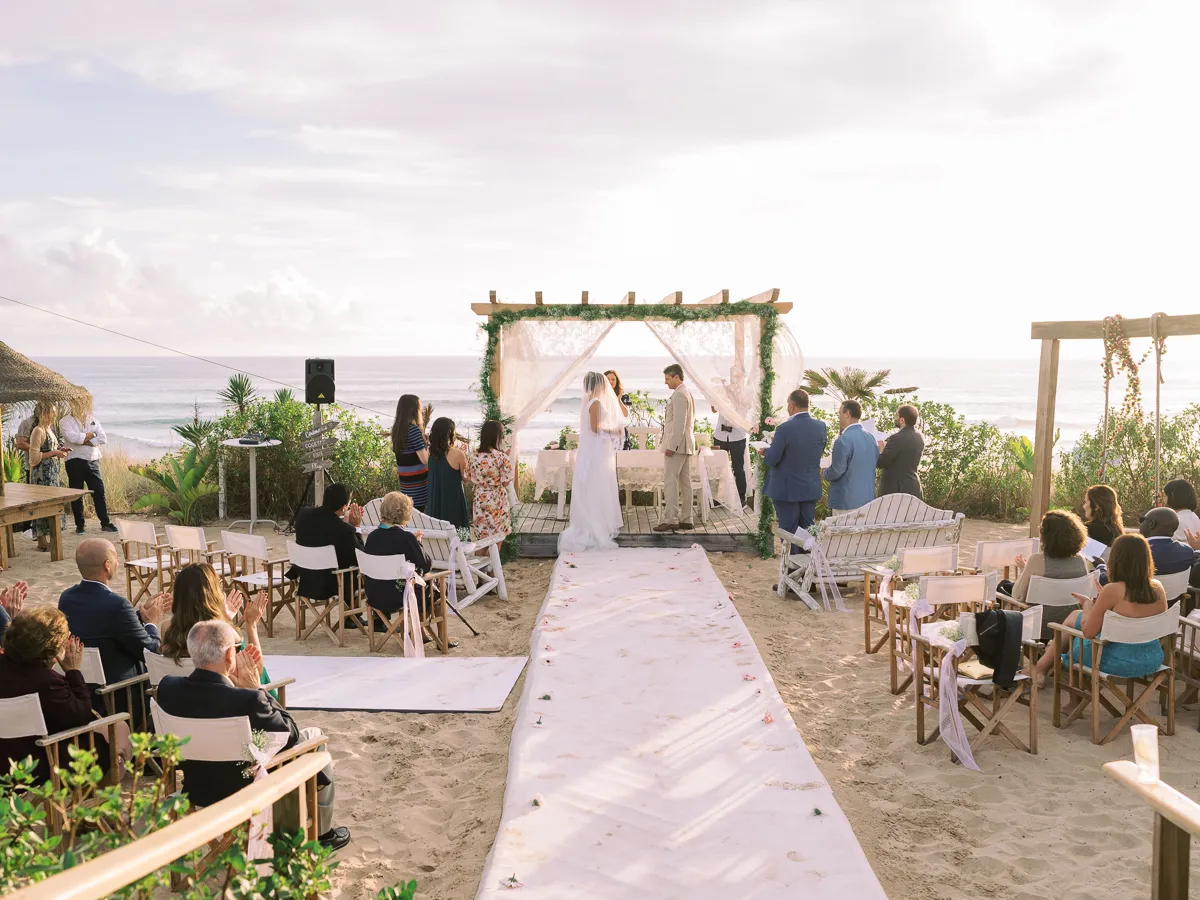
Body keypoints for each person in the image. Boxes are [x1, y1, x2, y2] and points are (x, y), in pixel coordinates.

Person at [156, 620, 351, 851]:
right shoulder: (248, 700)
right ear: (230, 655)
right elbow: (290, 734)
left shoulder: (167, 688)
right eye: (237, 648)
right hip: (245, 791)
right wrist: (257, 689)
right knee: (314, 737)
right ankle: (323, 834)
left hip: (196, 788)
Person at [1035, 533, 1169, 687]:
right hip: (1151, 659)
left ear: (1116, 559)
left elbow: (1089, 632)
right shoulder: (1157, 587)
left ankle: (1066, 692)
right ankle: (1042, 670)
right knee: (1074, 617)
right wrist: (1103, 602)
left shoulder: (1113, 590)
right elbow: (1133, 617)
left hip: (1114, 662)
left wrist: (1088, 605)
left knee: (1074, 636)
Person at [0, 608, 116, 782]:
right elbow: (83, 716)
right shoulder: (47, 682)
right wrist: (73, 671)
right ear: (51, 646)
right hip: (41, 763)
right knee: (117, 735)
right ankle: (87, 801)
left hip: (5, 760)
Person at [58, 539, 165, 685]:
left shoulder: (67, 598)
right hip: (120, 691)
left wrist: (139, 615)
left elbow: (102, 624)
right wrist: (151, 623)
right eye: (116, 557)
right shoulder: (118, 605)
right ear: (107, 565)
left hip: (84, 685)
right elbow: (152, 652)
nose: (118, 562)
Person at [161, 563, 274, 688]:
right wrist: (251, 625)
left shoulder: (167, 628)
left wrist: (223, 619)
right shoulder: (226, 632)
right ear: (213, 593)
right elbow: (256, 671)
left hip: (182, 700)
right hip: (223, 701)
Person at [559, 372, 625, 553]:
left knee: (595, 488)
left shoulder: (589, 401)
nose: (606, 387)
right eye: (604, 383)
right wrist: (614, 432)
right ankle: (594, 528)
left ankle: (594, 524)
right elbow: (595, 428)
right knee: (597, 487)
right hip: (595, 452)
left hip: (594, 451)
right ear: (597, 385)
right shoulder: (595, 403)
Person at [1000, 509, 1089, 641]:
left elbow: (1017, 595)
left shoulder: (1037, 560)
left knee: (1002, 587)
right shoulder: (1080, 560)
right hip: (1069, 626)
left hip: (1038, 625)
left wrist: (1025, 571)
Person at [289, 484, 364, 620]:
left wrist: (344, 523)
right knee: (354, 570)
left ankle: (353, 617)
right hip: (331, 584)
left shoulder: (303, 515)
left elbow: (324, 526)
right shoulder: (344, 530)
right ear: (343, 507)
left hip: (305, 578)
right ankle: (352, 617)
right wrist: (356, 527)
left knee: (343, 562)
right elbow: (360, 557)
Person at [763, 389, 828, 538]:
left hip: (787, 489)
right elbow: (817, 451)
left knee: (788, 531)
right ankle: (805, 560)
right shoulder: (820, 426)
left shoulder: (784, 428)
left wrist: (766, 451)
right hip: (809, 487)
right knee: (807, 531)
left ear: (792, 406)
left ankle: (790, 561)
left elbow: (773, 458)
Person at [364, 491, 433, 628]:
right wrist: (417, 543)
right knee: (432, 584)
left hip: (375, 595)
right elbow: (425, 565)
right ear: (405, 513)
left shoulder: (372, 537)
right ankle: (433, 635)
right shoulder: (406, 538)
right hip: (401, 597)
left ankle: (421, 633)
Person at [1094, 508, 1200, 587]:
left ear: (1151, 524)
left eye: (1142, 520)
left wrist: (1101, 566)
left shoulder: (1132, 551)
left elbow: (1106, 580)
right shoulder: (1187, 552)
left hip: (1133, 610)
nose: (1140, 523)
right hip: (1172, 609)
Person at [60, 399, 117, 536]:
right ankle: (80, 526)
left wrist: (83, 440)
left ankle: (105, 523)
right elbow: (72, 438)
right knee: (76, 494)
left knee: (99, 491)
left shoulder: (93, 420)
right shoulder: (65, 421)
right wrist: (91, 436)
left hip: (93, 460)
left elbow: (103, 438)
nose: (82, 407)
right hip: (74, 460)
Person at [653, 364, 696, 534]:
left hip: (678, 445)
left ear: (676, 377)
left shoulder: (679, 395)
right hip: (687, 444)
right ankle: (687, 519)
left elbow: (679, 423)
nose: (666, 382)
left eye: (668, 379)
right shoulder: (687, 393)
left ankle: (671, 519)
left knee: (670, 481)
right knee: (686, 483)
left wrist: (671, 445)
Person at [25, 400, 71, 552]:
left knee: (52, 505)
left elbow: (51, 448)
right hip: (42, 475)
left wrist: (60, 450)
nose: (54, 414)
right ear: (44, 413)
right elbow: (34, 456)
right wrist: (54, 453)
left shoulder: (49, 429)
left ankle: (50, 538)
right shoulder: (38, 430)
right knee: (42, 506)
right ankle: (42, 541)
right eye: (52, 412)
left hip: (52, 473)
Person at [824, 400, 880, 514]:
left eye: (839, 413)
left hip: (846, 502)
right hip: (867, 501)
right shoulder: (871, 438)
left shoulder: (843, 440)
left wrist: (824, 472)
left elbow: (837, 470)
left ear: (847, 413)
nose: (839, 417)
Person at [467, 420, 514, 543]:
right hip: (496, 499)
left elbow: (468, 477)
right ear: (496, 436)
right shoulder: (501, 457)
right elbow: (506, 482)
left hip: (480, 498)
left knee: (481, 538)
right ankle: (494, 562)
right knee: (497, 537)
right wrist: (506, 458)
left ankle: (480, 561)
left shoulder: (473, 455)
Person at [425, 417, 469, 527]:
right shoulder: (458, 454)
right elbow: (466, 478)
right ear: (450, 433)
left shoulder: (429, 452)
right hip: (452, 502)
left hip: (434, 501)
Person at [876, 403, 924, 499]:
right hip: (913, 488)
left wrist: (881, 450)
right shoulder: (920, 436)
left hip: (896, 491)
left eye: (896, 415)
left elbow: (881, 462)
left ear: (902, 420)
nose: (895, 417)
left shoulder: (896, 438)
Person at [391, 394, 429, 511]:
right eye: (419, 408)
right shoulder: (413, 430)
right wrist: (430, 446)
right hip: (419, 486)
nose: (421, 411)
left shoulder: (397, 429)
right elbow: (424, 459)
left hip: (406, 485)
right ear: (414, 410)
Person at [711, 405, 748, 508]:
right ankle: (719, 497)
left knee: (738, 468)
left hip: (737, 436)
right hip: (720, 435)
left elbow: (746, 410)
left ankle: (741, 498)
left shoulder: (744, 393)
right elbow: (713, 409)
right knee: (718, 468)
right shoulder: (721, 391)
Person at [1082, 484, 1123, 548]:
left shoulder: (1088, 530)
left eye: (1086, 502)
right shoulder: (1116, 529)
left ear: (1096, 505)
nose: (1084, 506)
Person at [605, 370, 633, 450]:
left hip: (621, 434)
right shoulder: (601, 396)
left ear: (617, 381)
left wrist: (619, 400)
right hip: (606, 434)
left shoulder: (623, 396)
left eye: (613, 379)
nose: (610, 382)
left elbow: (626, 415)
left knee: (623, 461)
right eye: (608, 379)